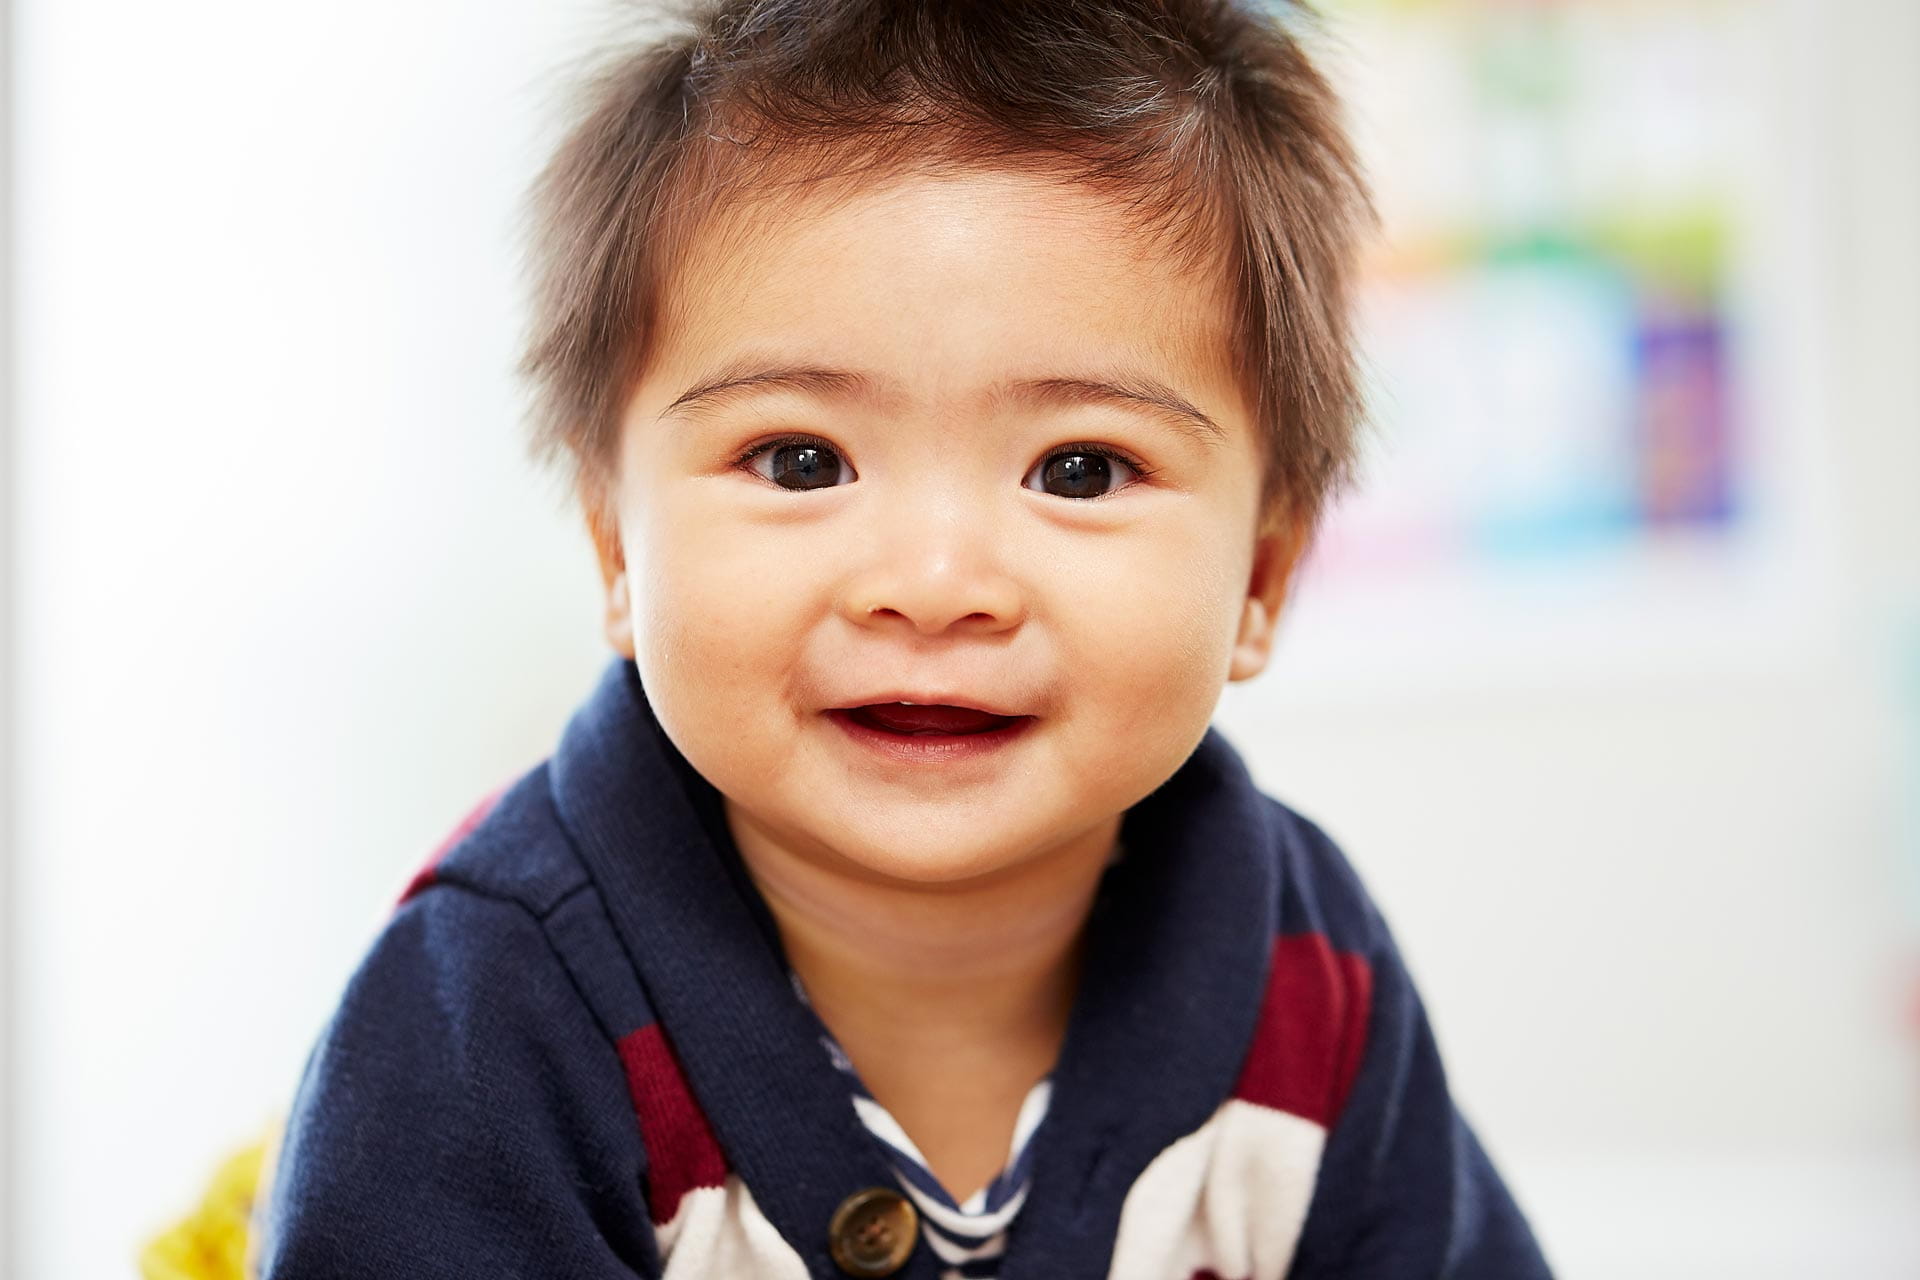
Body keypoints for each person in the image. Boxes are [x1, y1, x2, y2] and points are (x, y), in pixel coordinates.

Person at [252, 1, 1553, 1276]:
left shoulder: (1306, 973)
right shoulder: (490, 1006)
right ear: (614, 551)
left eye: (1083, 469)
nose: (934, 586)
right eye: (802, 459)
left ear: (1263, 576)